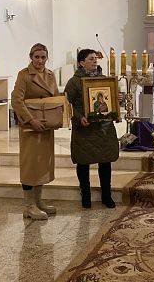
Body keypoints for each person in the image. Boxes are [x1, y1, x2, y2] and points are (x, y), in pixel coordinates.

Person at [65, 49, 119, 209]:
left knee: (105, 160)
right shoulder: (74, 82)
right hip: (84, 128)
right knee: (83, 162)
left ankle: (106, 195)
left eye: (96, 59)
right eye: (91, 59)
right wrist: (79, 116)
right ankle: (85, 194)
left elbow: (111, 101)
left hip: (104, 128)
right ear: (82, 62)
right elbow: (68, 104)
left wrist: (117, 99)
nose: (95, 61)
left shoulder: (105, 80)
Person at [11, 43, 59, 220]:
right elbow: (16, 100)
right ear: (31, 57)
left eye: (43, 57)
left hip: (46, 125)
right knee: (30, 165)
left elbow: (55, 98)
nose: (40, 60)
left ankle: (39, 201)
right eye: (36, 57)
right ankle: (29, 206)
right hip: (30, 127)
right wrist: (31, 120)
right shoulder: (24, 75)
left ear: (47, 58)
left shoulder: (50, 75)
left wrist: (57, 118)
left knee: (42, 165)